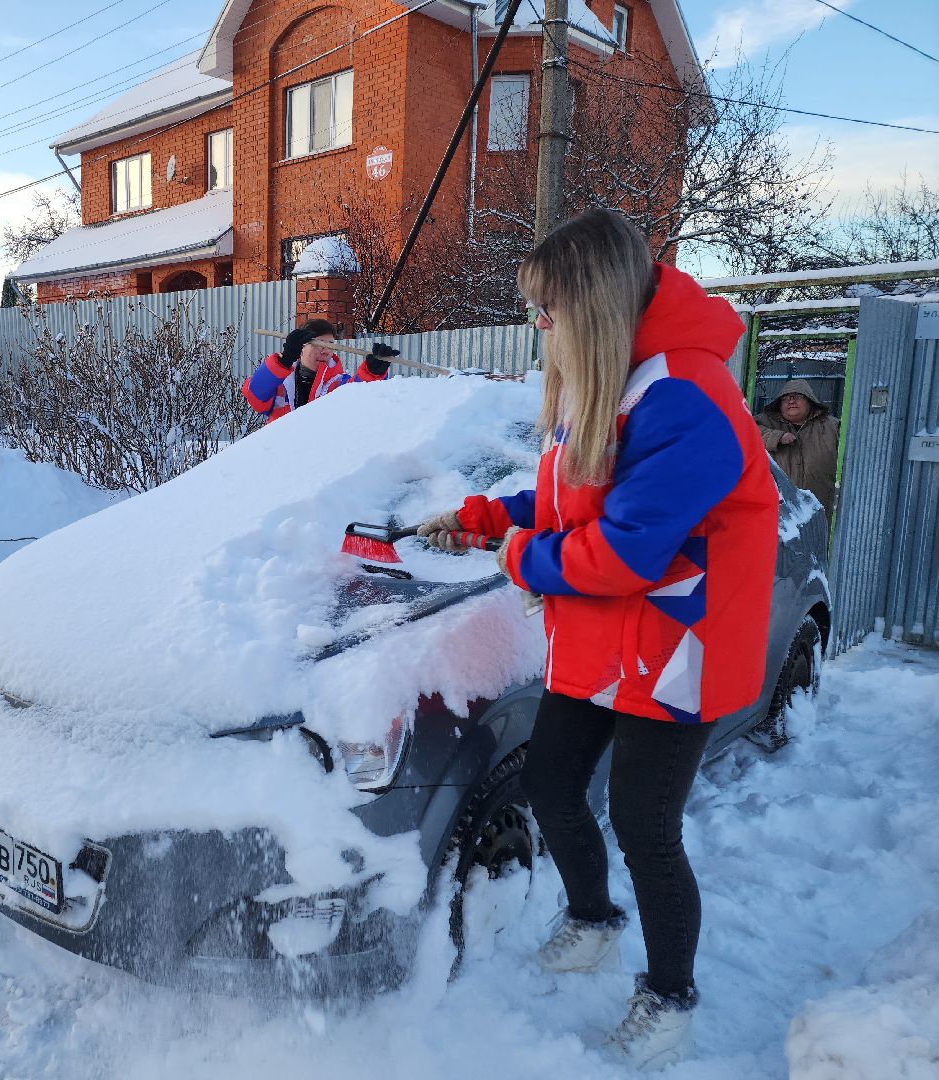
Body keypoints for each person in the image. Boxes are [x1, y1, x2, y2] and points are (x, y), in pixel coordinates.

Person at [417, 208, 778, 1070]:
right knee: (553, 784)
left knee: (646, 825)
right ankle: (591, 921)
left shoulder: (686, 392)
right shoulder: (613, 377)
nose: (540, 325)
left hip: (676, 644)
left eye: (549, 307)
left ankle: (670, 995)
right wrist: (482, 516)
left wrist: (516, 555)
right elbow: (570, 496)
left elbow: (625, 549)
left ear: (595, 300)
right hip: (604, 636)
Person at [242, 319, 397, 423]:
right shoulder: (280, 384)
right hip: (278, 462)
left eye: (331, 344)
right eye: (318, 344)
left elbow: (363, 404)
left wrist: (373, 373)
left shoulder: (340, 385)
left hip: (322, 466)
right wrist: (284, 361)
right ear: (301, 348)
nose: (325, 350)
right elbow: (255, 396)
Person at [755, 379, 840, 519]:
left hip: (821, 510)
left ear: (810, 401)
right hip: (778, 514)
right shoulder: (764, 422)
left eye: (798, 396)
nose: (791, 401)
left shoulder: (832, 426)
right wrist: (776, 437)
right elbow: (741, 432)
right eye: (785, 398)